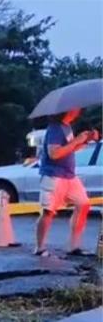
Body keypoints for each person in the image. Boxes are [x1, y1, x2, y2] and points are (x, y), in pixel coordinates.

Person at [34, 108, 100, 256]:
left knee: (83, 204)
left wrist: (86, 140)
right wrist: (77, 140)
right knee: (48, 211)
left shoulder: (66, 127)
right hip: (54, 176)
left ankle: (73, 245)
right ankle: (40, 248)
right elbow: (54, 154)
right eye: (76, 108)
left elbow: (69, 150)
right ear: (68, 110)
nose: (78, 110)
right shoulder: (55, 129)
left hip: (69, 176)